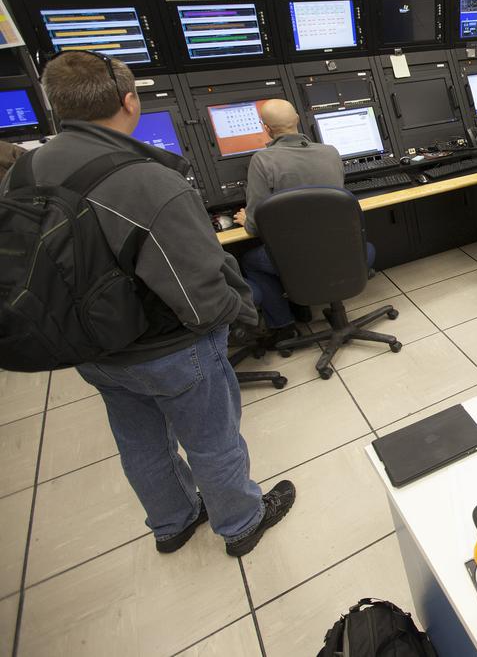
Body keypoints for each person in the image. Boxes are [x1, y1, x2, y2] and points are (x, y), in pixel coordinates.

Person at [0, 51, 294, 557]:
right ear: (129, 101)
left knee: (139, 440)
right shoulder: (148, 179)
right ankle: (242, 523)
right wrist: (245, 318)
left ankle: (172, 522)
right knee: (212, 441)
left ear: (55, 106)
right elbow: (201, 286)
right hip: (169, 347)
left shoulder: (24, 172)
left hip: (92, 348)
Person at [233, 98, 344, 342]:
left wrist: (244, 219)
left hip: (297, 258)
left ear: (266, 128)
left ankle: (283, 326)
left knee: (250, 260)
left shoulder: (262, 161)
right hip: (341, 250)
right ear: (297, 119)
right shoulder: (331, 152)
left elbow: (255, 227)